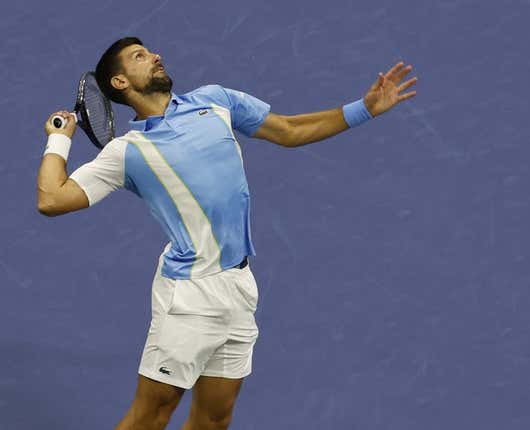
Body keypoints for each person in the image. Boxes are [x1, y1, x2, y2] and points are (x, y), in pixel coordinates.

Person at [36, 36, 418, 430]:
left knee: (215, 419)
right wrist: (59, 139)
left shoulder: (214, 100)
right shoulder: (127, 152)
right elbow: (52, 198)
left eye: (149, 51)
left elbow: (287, 129)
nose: (155, 56)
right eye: (139, 57)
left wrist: (364, 109)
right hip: (189, 296)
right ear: (119, 82)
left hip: (239, 286)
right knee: (150, 417)